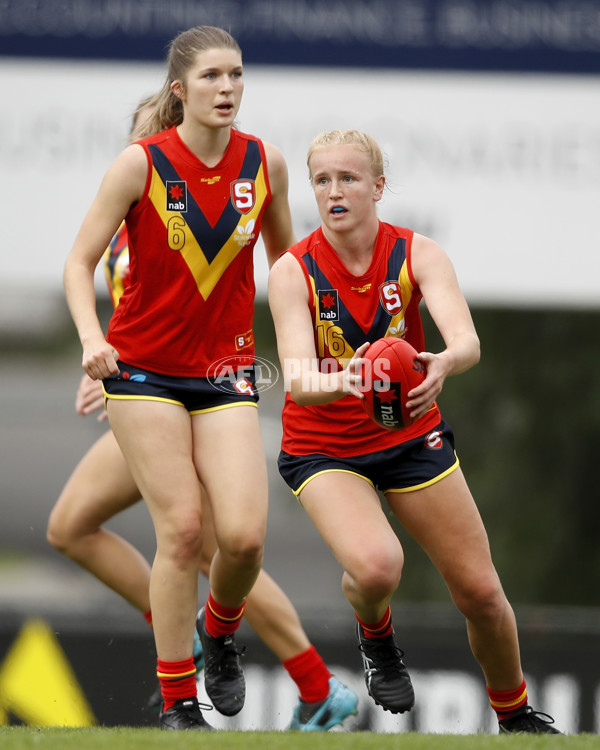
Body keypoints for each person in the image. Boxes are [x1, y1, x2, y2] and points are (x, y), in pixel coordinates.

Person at [61, 25, 354, 732]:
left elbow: (290, 272)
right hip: (145, 384)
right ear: (179, 95)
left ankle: (222, 639)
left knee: (239, 542)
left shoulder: (263, 165)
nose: (227, 88)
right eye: (212, 77)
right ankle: (182, 696)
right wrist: (94, 345)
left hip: (222, 378)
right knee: (167, 531)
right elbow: (83, 271)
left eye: (236, 75)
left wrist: (311, 360)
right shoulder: (138, 177)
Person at [267, 129, 562, 735]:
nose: (334, 191)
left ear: (378, 187)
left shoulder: (417, 254)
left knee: (481, 594)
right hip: (324, 445)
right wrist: (351, 378)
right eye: (322, 180)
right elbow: (296, 379)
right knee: (377, 568)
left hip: (410, 435)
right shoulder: (293, 271)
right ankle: (377, 637)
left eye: (348, 178)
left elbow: (467, 342)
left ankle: (516, 717)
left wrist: (442, 365)